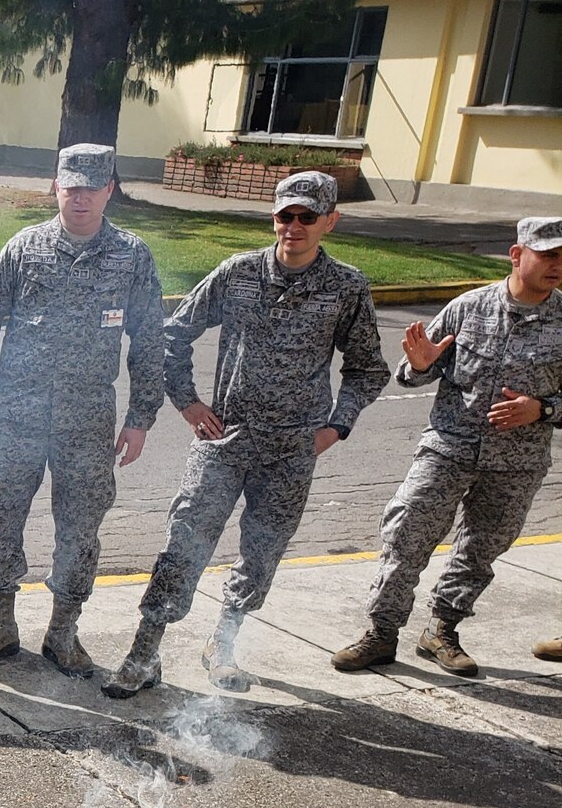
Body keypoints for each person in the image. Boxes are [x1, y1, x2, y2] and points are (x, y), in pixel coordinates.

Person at [105, 172, 390, 698]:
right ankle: (144, 653)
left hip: (291, 450)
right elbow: (174, 334)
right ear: (274, 218)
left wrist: (335, 427)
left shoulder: (346, 286)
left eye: (308, 217)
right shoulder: (238, 273)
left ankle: (224, 644)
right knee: (184, 544)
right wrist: (189, 404)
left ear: (331, 220)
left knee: (262, 553)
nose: (295, 227)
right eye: (286, 215)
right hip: (224, 442)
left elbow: (368, 369)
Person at [0, 143, 165, 675]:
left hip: (88, 424)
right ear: (56, 186)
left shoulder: (131, 256)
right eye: (72, 187)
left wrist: (140, 417)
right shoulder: (25, 249)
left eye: (92, 188)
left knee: (80, 530)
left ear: (109, 190)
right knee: (0, 520)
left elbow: (150, 341)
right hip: (17, 417)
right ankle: (0, 625)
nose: (81, 197)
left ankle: (63, 631)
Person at [333, 216, 562, 676]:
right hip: (448, 448)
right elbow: (413, 369)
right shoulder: (468, 308)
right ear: (517, 256)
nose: (557, 265)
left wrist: (543, 409)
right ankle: (381, 634)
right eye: (548, 254)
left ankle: (441, 630)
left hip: (517, 463)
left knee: (480, 550)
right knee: (406, 535)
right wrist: (418, 367)